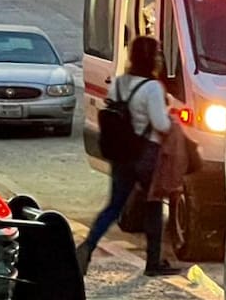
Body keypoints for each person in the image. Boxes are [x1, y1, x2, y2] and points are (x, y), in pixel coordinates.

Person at [76, 37, 182, 277]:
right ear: (151, 59)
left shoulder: (120, 83)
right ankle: (153, 262)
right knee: (153, 204)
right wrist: (172, 120)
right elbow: (160, 124)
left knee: (114, 206)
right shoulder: (153, 88)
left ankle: (87, 246)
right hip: (147, 155)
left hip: (121, 153)